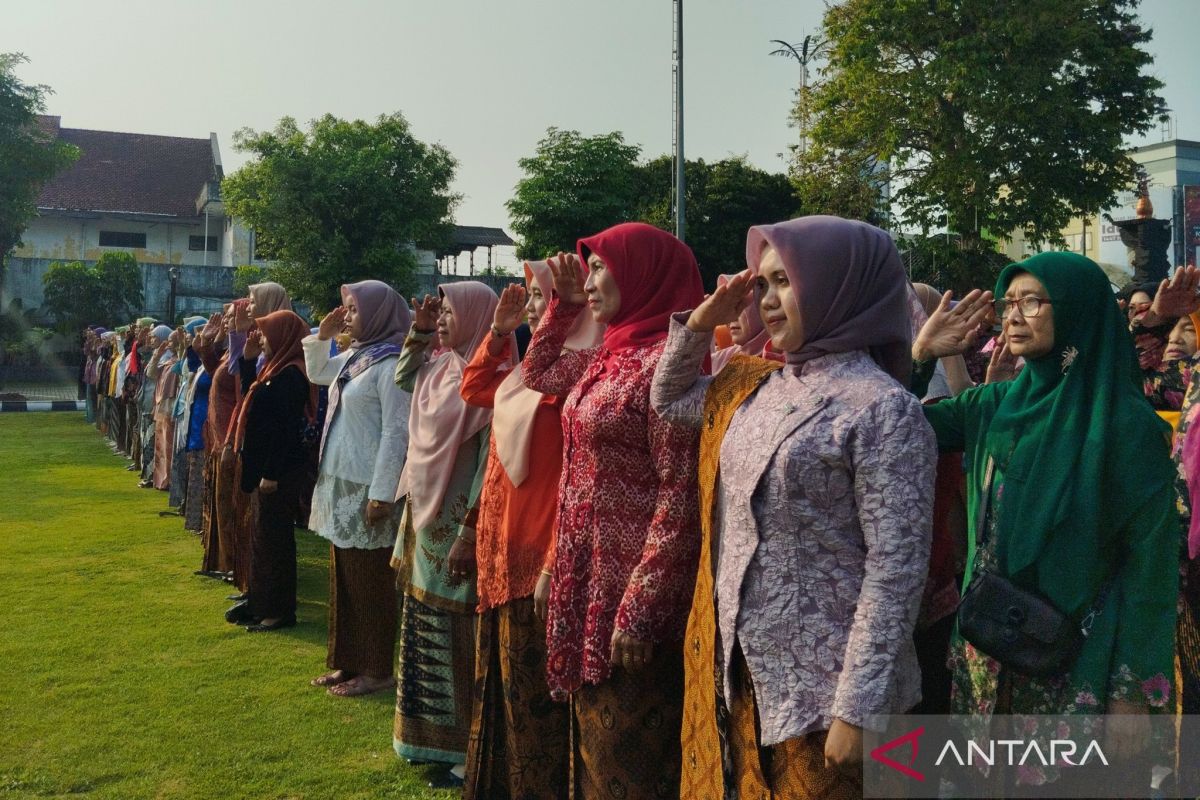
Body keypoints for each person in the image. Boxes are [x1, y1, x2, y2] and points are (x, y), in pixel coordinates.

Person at [652, 216, 935, 799]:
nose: (769, 300)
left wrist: (858, 708)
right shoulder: (755, 385)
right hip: (746, 672)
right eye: (764, 284)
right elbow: (671, 399)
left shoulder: (883, 409)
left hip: (829, 694)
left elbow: (895, 570)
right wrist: (702, 320)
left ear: (838, 285)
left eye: (787, 282)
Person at [916, 251, 1179, 792]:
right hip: (986, 659)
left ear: (1077, 312)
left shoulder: (1128, 429)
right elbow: (892, 431)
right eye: (1008, 301)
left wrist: (1131, 695)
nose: (1013, 315)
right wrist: (919, 356)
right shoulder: (991, 406)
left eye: (1032, 301)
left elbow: (1150, 570)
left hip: (1077, 666)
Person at [521, 222, 703, 800]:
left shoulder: (665, 369)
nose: (591, 281)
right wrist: (564, 306)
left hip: (629, 594)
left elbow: (679, 496)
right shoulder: (609, 355)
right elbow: (538, 374)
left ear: (644, 275)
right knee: (592, 742)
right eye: (590, 268)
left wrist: (643, 606)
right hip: (584, 577)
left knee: (629, 750)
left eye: (601, 268)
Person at [459, 261, 602, 800]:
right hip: (501, 539)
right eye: (538, 302)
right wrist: (499, 333)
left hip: (541, 544)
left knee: (533, 693)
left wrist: (552, 559)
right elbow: (473, 388)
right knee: (499, 679)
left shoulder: (580, 372)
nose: (541, 310)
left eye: (550, 299)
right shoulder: (525, 372)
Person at [391, 281, 504, 788]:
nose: (442, 320)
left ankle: (463, 752)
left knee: (457, 640)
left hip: (455, 532)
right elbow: (402, 377)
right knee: (423, 631)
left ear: (478, 316)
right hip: (424, 524)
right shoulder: (439, 369)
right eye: (439, 314)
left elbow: (487, 470)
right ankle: (423, 741)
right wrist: (418, 331)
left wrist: (468, 533)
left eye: (450, 312)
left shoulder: (491, 384)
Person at [303, 280, 412, 697]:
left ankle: (376, 667)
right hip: (340, 478)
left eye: (353, 309)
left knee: (369, 583)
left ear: (379, 313)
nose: (347, 314)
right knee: (344, 578)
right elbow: (317, 372)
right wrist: (323, 336)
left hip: (368, 486)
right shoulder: (357, 356)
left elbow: (395, 433)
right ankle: (346, 661)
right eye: (345, 307)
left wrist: (382, 493)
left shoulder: (393, 364)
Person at [225, 310, 314, 632]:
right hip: (265, 468)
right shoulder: (275, 369)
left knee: (275, 542)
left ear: (282, 337)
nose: (258, 337)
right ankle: (260, 603)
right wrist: (248, 362)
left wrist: (272, 474)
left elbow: (284, 429)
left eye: (264, 333)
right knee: (262, 539)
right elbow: (255, 400)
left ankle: (278, 611)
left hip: (279, 473)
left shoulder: (292, 375)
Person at [709, 272, 773, 374]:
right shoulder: (721, 359)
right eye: (728, 307)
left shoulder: (787, 360)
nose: (732, 317)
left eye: (739, 306)